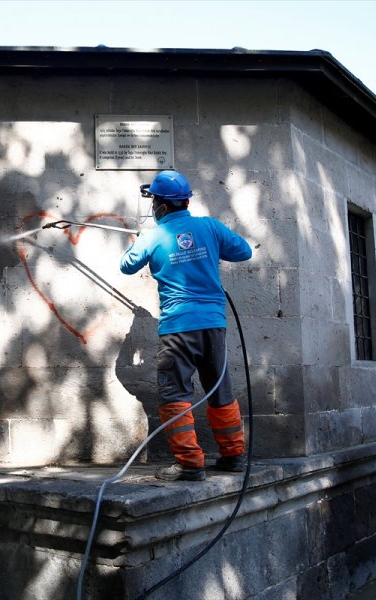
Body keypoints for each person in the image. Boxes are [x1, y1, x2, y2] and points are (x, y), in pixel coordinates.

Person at [119, 170, 253, 481]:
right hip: (213, 326)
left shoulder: (152, 236)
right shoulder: (209, 227)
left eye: (154, 201)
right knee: (220, 388)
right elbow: (244, 251)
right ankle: (233, 455)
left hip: (178, 328)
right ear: (186, 201)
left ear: (161, 206)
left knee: (174, 392)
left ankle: (190, 463)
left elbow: (126, 266)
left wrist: (140, 241)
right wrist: (210, 247)